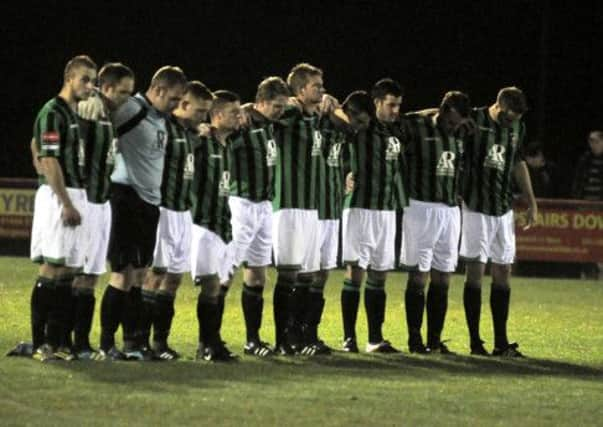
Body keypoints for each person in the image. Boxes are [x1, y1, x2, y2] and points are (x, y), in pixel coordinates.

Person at [97, 66, 187, 360]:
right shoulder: (133, 109)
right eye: (173, 99)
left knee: (138, 275)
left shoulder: (160, 118)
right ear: (158, 90)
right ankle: (106, 343)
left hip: (149, 204)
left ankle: (133, 342)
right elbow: (101, 123)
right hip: (126, 198)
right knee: (122, 275)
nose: (176, 106)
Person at [28, 55, 97, 361]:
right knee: (52, 268)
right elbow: (49, 158)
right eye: (85, 79)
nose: (90, 85)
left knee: (69, 270)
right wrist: (66, 203)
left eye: (93, 80)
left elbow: (35, 145)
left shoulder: (72, 113)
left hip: (75, 193)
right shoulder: (52, 110)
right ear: (69, 77)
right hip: (61, 196)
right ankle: (41, 343)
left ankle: (58, 342)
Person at [139, 81, 213, 360]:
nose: (203, 118)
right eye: (200, 111)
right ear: (183, 105)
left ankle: (160, 342)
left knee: (172, 279)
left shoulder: (187, 131)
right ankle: (139, 341)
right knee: (154, 275)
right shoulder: (164, 127)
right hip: (164, 210)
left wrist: (197, 130)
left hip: (184, 212)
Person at [460, 86, 537, 357]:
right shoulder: (473, 120)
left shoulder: (518, 127)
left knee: (504, 272)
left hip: (503, 207)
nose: (510, 123)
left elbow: (518, 163)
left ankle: (501, 343)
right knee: (476, 273)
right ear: (498, 106)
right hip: (476, 207)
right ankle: (474, 341)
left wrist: (531, 200)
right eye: (507, 118)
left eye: (515, 119)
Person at [70, 62, 135, 359]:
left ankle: (81, 343)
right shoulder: (89, 109)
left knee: (92, 275)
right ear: (105, 88)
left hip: (102, 202)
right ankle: (58, 339)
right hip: (84, 200)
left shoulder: (111, 115)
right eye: (122, 92)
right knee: (76, 274)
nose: (127, 99)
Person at [400, 91, 472, 355]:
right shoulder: (415, 125)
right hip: (421, 206)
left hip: (451, 209)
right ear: (440, 112)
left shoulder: (464, 129)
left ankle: (434, 340)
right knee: (419, 274)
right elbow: (390, 121)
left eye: (458, 123)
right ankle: (414, 339)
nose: (454, 127)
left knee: (443, 276)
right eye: (450, 121)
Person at [341, 78, 406, 353]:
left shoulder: (395, 132)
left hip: (386, 211)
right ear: (376, 102)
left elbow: (419, 116)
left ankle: (374, 339)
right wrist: (345, 171)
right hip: (360, 208)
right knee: (356, 271)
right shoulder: (358, 128)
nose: (395, 111)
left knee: (380, 273)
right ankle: (348, 339)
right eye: (391, 105)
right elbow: (338, 113)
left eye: (398, 106)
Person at [306, 90, 373, 355]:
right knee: (304, 273)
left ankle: (310, 333)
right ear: (349, 113)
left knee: (322, 272)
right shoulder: (318, 118)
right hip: (309, 208)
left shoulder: (345, 135)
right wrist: (323, 99)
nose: (357, 130)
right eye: (358, 123)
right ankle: (293, 333)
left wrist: (345, 177)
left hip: (332, 208)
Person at [229, 77, 289, 357]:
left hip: (265, 206)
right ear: (262, 102)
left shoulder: (269, 125)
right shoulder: (242, 123)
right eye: (276, 106)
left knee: (257, 276)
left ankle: (253, 340)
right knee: (225, 272)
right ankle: (210, 340)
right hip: (241, 202)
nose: (280, 111)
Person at [271, 63, 324, 355]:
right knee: (288, 275)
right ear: (301, 89)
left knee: (307, 276)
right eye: (316, 85)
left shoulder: (313, 116)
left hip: (310, 207)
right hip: (289, 205)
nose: (322, 89)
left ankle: (300, 335)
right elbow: (266, 113)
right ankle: (282, 339)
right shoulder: (290, 113)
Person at [190, 90, 241, 362]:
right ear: (217, 115)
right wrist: (195, 131)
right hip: (202, 222)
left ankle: (212, 341)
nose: (239, 117)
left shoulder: (227, 144)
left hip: (223, 223)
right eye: (234, 113)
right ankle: (206, 343)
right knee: (210, 284)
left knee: (222, 283)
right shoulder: (201, 140)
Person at [571, 130, 603, 279]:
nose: (592, 144)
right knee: (583, 238)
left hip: (600, 207)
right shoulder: (585, 159)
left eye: (595, 141)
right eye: (590, 141)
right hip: (585, 205)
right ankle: (585, 272)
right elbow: (578, 181)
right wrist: (577, 200)